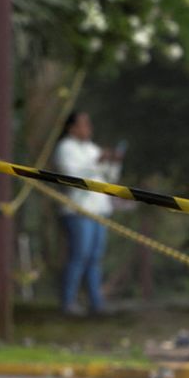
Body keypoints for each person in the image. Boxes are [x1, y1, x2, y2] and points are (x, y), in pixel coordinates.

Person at [54, 111, 123, 316]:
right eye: (83, 124)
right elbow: (72, 176)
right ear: (71, 128)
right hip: (78, 210)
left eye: (88, 124)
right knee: (79, 256)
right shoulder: (65, 148)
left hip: (99, 210)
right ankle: (68, 302)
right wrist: (97, 162)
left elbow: (110, 178)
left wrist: (114, 162)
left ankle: (96, 302)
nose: (87, 128)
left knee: (95, 258)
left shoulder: (93, 149)